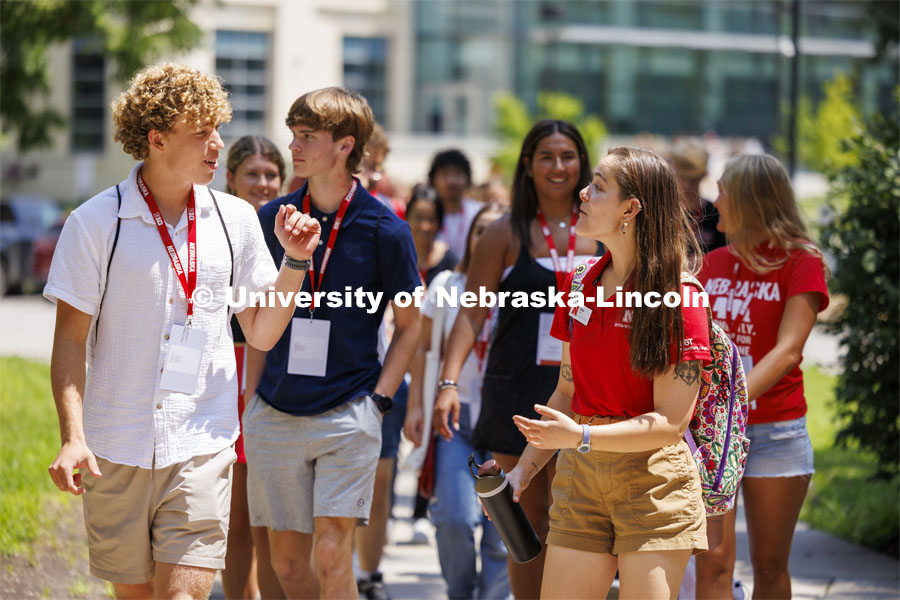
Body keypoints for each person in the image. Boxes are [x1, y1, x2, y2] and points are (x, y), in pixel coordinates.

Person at [44, 63, 321, 599]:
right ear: (157, 138)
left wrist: (295, 262)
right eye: (203, 133)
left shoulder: (236, 220)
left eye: (219, 130)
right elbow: (70, 342)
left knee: (183, 595)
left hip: (202, 438)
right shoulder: (95, 223)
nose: (218, 145)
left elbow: (261, 334)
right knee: (137, 595)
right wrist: (73, 437)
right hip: (114, 446)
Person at [508, 146, 712, 598]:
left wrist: (579, 437)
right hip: (581, 479)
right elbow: (566, 393)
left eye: (598, 186)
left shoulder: (680, 296)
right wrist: (522, 474)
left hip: (654, 484)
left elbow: (670, 424)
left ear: (630, 209)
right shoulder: (579, 283)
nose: (582, 191)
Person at [242, 87, 421, 599]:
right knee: (289, 565)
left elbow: (409, 327)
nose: (293, 146)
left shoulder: (387, 230)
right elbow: (255, 320)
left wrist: (380, 401)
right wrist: (251, 402)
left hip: (349, 413)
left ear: (345, 145)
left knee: (331, 556)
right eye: (294, 133)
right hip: (275, 412)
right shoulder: (269, 219)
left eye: (307, 136)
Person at [435, 120, 596, 599]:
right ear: (528, 165)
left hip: (584, 393)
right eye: (546, 156)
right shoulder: (505, 231)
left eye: (567, 156)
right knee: (523, 516)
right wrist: (447, 384)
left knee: (577, 517)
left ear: (582, 163)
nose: (558, 166)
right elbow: (471, 313)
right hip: (517, 390)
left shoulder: (603, 231)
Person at [695, 154, 829, 599]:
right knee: (712, 561)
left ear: (752, 201)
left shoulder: (800, 261)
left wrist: (729, 402)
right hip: (714, 435)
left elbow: (789, 351)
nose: (716, 202)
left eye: (724, 192)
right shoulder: (711, 264)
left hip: (776, 431)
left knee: (770, 566)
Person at [405, 203, 511, 600]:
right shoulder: (447, 284)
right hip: (456, 417)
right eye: (481, 230)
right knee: (455, 518)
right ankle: (461, 594)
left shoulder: (525, 288)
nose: (488, 239)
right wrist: (417, 406)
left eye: (498, 231)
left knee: (503, 532)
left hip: (507, 420)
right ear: (470, 237)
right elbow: (422, 348)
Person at [222, 135, 286, 600]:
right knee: (237, 516)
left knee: (272, 520)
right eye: (252, 174)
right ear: (231, 178)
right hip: (226, 372)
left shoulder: (294, 231)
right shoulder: (218, 228)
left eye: (270, 175)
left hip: (279, 377)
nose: (262, 183)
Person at [669, 137, 726, 254]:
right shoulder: (661, 212)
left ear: (704, 175)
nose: (687, 185)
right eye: (683, 178)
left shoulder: (715, 213)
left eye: (694, 179)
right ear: (672, 173)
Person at [429, 149, 481, 259]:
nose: (451, 181)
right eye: (445, 174)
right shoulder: (426, 215)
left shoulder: (478, 213)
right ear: (433, 179)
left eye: (458, 174)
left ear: (467, 178)